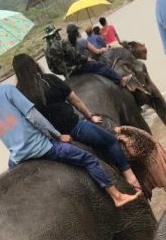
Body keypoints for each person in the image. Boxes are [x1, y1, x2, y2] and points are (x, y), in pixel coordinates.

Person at [0, 61, 139, 207]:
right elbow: (34, 118)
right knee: (88, 159)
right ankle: (117, 196)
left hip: (16, 156)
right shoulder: (8, 90)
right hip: (41, 147)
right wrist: (58, 136)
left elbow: (0, 129)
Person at [12, 53, 142, 194]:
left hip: (48, 141)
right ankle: (130, 177)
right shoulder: (50, 80)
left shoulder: (17, 93)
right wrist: (90, 116)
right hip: (73, 128)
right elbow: (75, 101)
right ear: (34, 65)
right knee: (110, 141)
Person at [43, 24, 131, 87]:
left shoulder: (46, 50)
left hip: (67, 75)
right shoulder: (63, 42)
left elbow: (52, 68)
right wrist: (87, 60)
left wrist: (64, 71)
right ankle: (120, 80)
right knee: (99, 66)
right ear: (56, 33)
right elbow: (75, 57)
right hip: (77, 68)